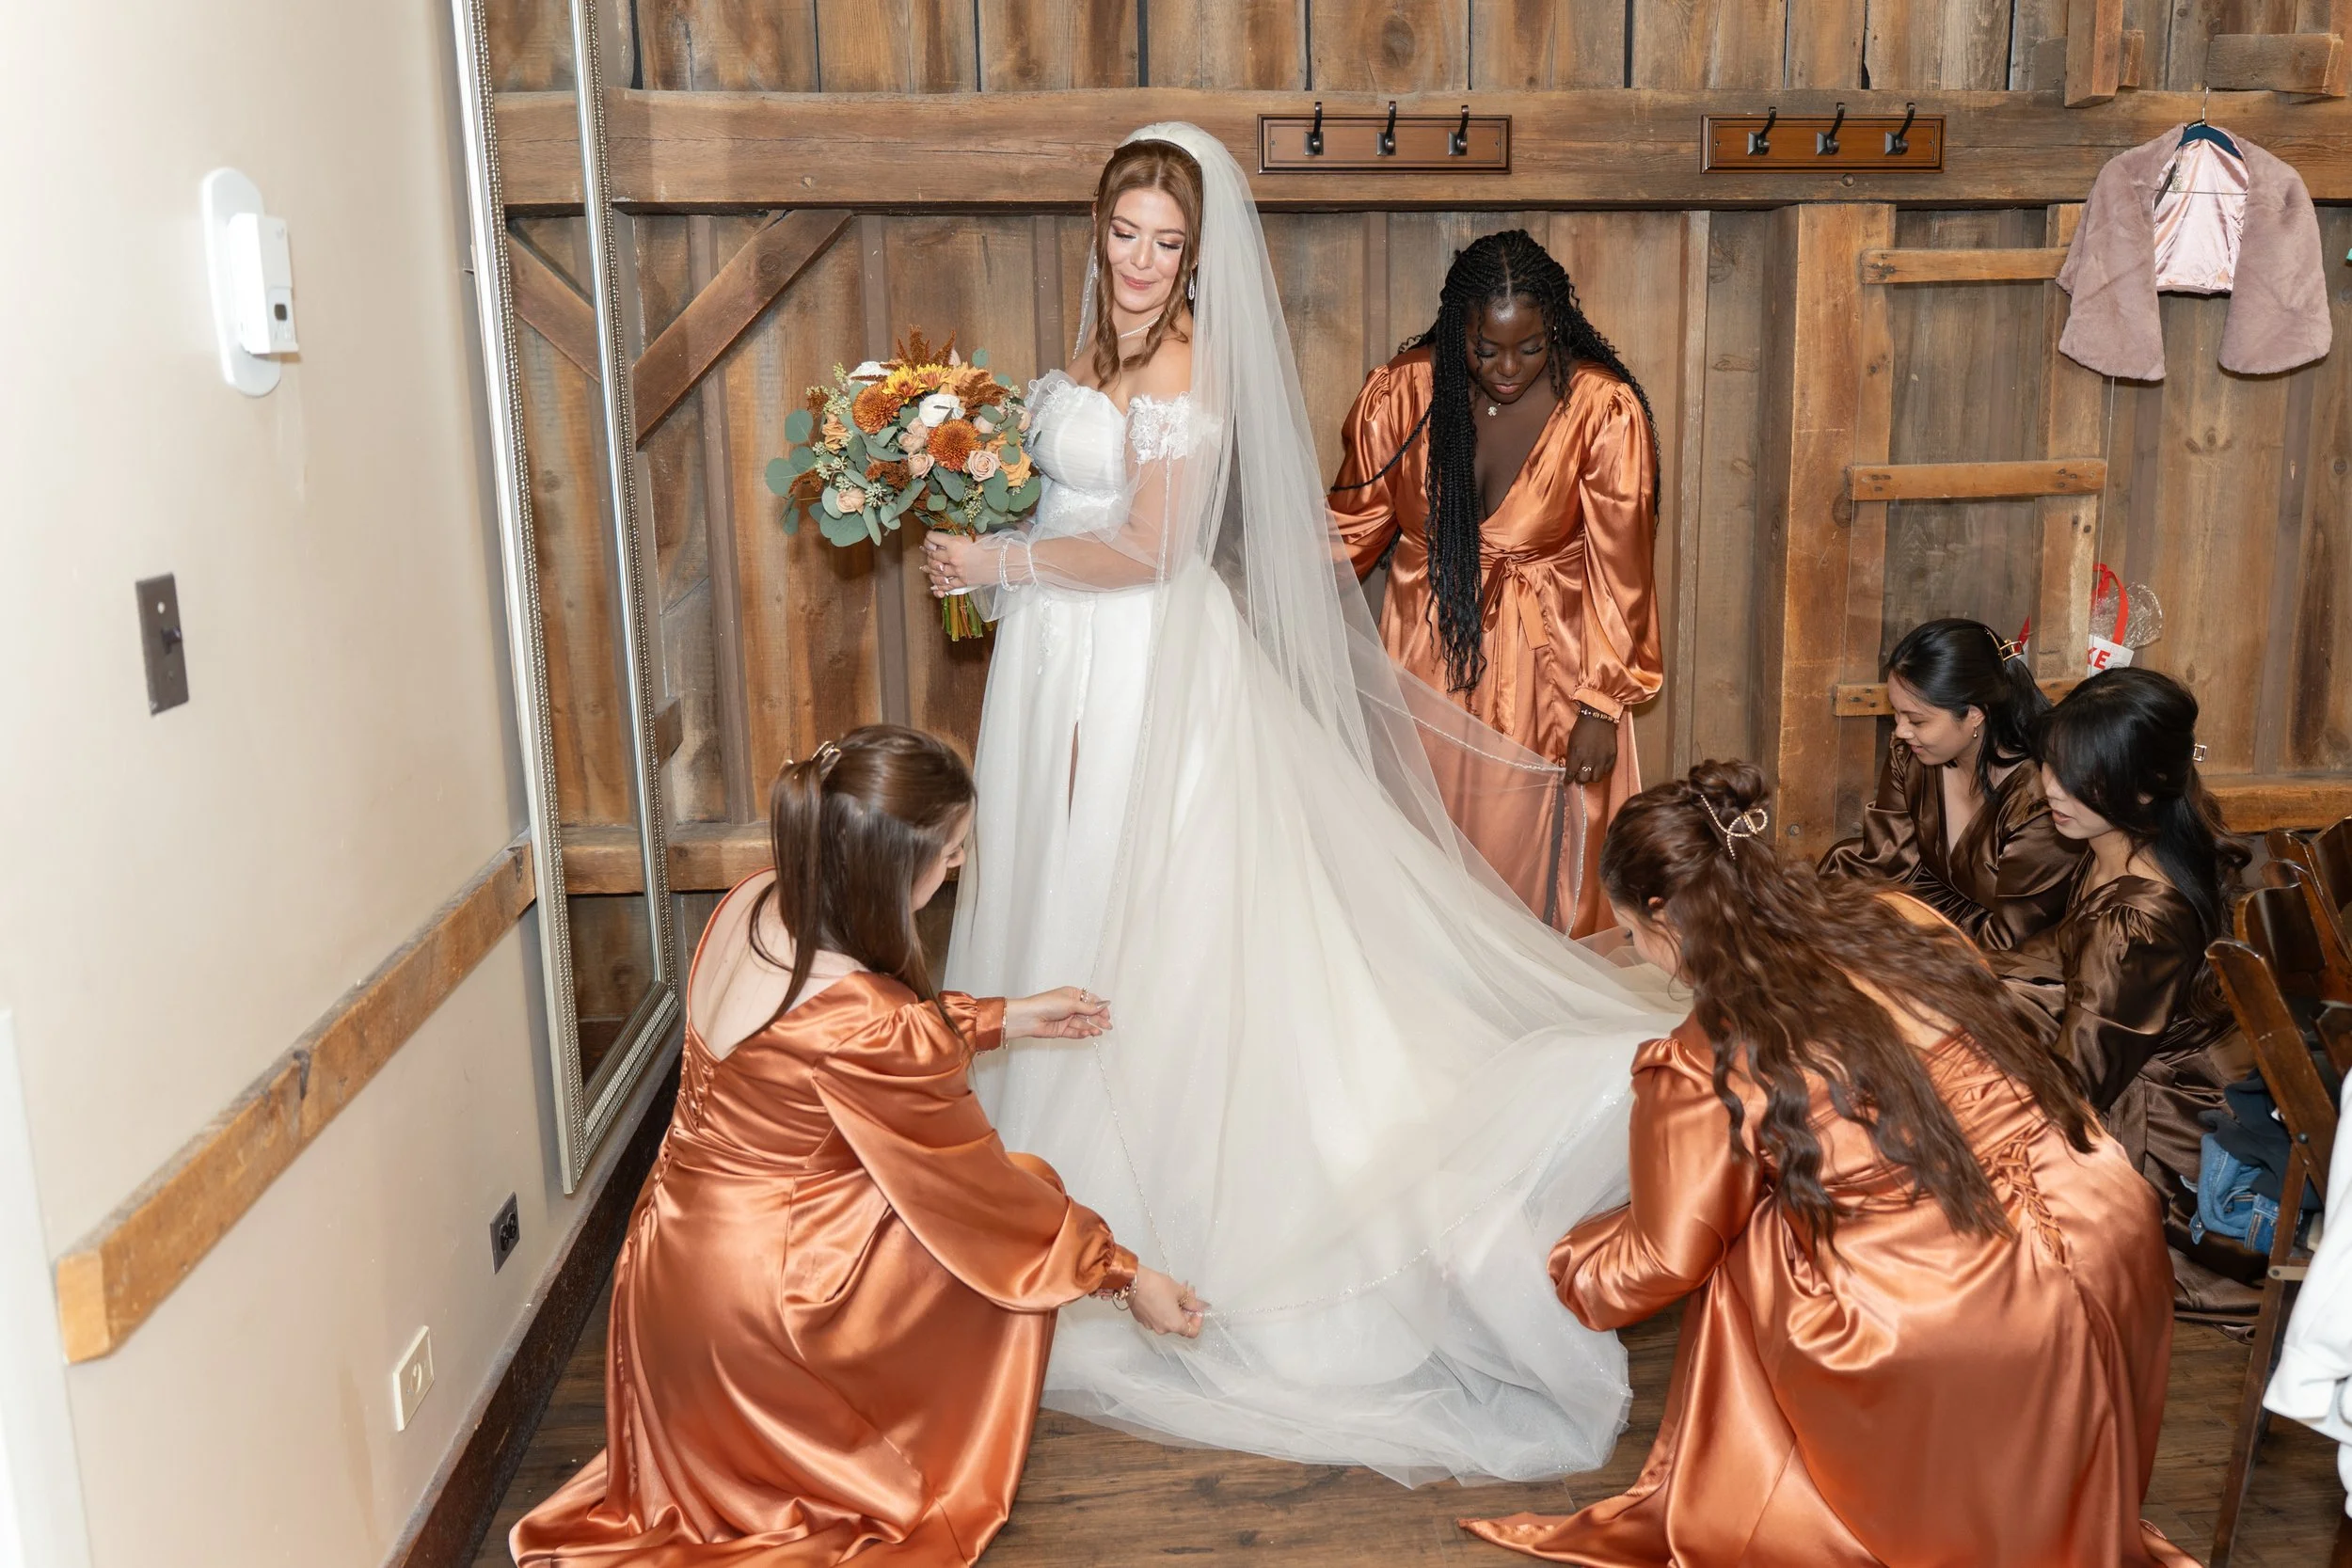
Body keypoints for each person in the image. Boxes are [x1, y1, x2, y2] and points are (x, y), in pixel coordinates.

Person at [918, 126, 1682, 1484]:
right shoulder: (1089, 356)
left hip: (1147, 660)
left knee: (1156, 921)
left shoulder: (1189, 366)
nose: (1145, 263)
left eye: (1169, 243)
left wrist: (1002, 553)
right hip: (1055, 664)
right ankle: (1034, 1190)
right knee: (1055, 892)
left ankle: (1172, 1205)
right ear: (1098, 237)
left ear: (1198, 257)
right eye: (1127, 237)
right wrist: (975, 525)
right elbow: (1062, 503)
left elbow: (1152, 544)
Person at [1466, 762, 2194, 1567]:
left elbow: (1659, 1261)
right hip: (2114, 1233)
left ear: (1667, 914)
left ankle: (1807, 1507)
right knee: (1797, 1188)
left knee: (1755, 1239)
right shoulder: (1896, 917)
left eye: (1634, 932)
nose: (1640, 952)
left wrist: (1545, 1262)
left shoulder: (1706, 1051)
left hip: (1974, 1319)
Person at [511, 726, 1203, 1568]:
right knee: (1022, 1198)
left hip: (661, 1282)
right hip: (755, 1314)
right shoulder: (872, 1020)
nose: (955, 869)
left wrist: (1005, 1013)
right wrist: (1128, 1273)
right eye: (949, 854)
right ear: (885, 874)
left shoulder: (753, 901)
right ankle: (872, 1435)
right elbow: (984, 1193)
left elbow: (835, 1048)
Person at [1328, 230, 1662, 936]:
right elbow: (1351, 530)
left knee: (1530, 871)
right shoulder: (1404, 393)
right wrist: (1250, 576)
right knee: (1425, 853)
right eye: (1485, 349)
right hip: (1424, 665)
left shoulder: (1600, 408)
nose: (1508, 368)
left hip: (1549, 678)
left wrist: (1600, 707)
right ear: (1459, 333)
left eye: (1531, 347)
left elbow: (1621, 570)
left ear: (1556, 328)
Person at [1991, 668, 2254, 1312]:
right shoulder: (2121, 837)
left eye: (2080, 776)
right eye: (2052, 764)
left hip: (2169, 1126)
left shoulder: (2142, 918)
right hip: (2132, 1062)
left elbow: (2079, 1081)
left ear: (2144, 789)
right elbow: (2062, 959)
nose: (2052, 788)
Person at [1819, 617, 2082, 949]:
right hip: (1925, 909)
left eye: (1916, 719)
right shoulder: (1911, 755)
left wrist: (1907, 947)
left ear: (1975, 714)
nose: (1900, 730)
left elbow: (2012, 936)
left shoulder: (2039, 802)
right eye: (1896, 714)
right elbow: (1887, 862)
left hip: (2001, 947)